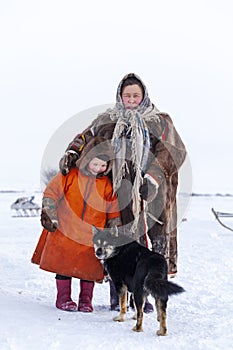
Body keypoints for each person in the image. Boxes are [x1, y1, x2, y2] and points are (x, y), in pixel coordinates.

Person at [59, 73, 187, 311]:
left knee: (155, 244)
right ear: (120, 96)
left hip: (153, 191)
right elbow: (85, 137)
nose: (131, 100)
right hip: (120, 191)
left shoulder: (160, 121)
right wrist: (73, 153)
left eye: (135, 95)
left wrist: (153, 178)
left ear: (143, 96)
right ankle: (119, 296)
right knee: (123, 241)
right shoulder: (107, 120)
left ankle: (149, 296)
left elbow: (174, 151)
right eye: (126, 95)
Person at [31, 137, 121, 312]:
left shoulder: (107, 185)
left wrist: (113, 227)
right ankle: (63, 297)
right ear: (86, 159)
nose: (98, 169)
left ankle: (85, 300)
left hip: (92, 235)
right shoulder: (69, 175)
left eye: (103, 166)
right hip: (66, 230)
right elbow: (51, 193)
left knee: (88, 269)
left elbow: (114, 209)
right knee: (63, 265)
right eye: (95, 164)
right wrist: (50, 213)